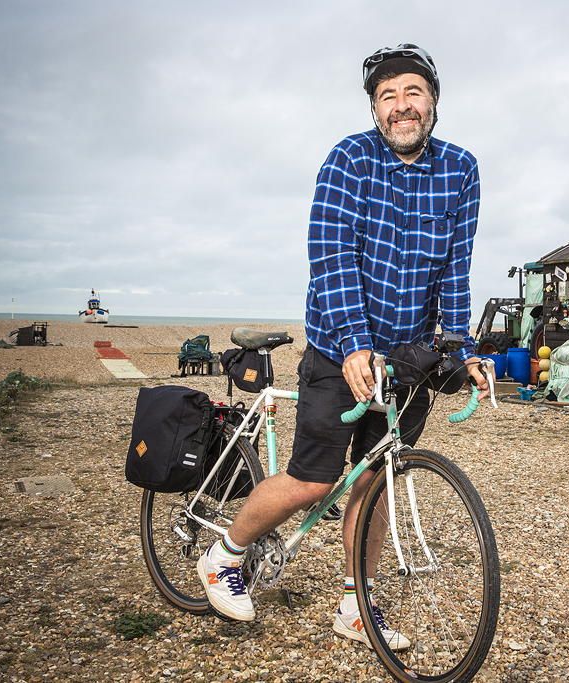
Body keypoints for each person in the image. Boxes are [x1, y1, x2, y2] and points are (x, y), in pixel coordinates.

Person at [197, 43, 489, 649]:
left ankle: (356, 606)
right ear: (375, 108)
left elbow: (455, 269)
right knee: (313, 479)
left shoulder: (461, 169)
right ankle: (224, 553)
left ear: (433, 101)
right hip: (340, 346)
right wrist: (355, 345)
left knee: (376, 478)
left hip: (408, 357)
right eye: (387, 96)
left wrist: (458, 350)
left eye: (412, 93)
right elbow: (330, 259)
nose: (400, 106)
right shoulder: (349, 159)